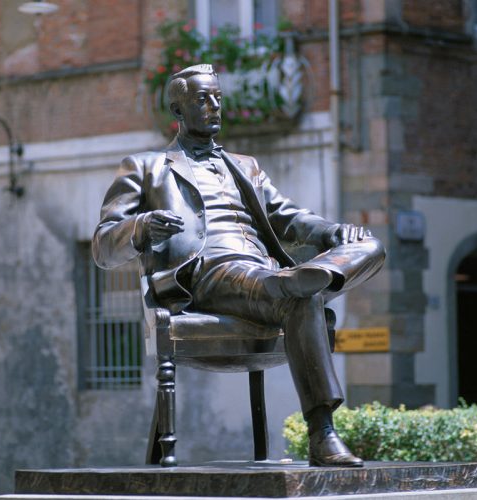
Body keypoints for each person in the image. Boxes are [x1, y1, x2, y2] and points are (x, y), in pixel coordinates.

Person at [93, 64, 384, 467]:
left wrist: (333, 233)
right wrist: (142, 226)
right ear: (178, 111)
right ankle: (324, 433)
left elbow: (288, 216)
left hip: (261, 274)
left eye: (217, 98)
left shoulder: (244, 165)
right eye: (202, 100)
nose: (214, 106)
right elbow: (102, 246)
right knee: (295, 292)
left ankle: (318, 278)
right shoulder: (146, 167)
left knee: (367, 245)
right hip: (204, 274)